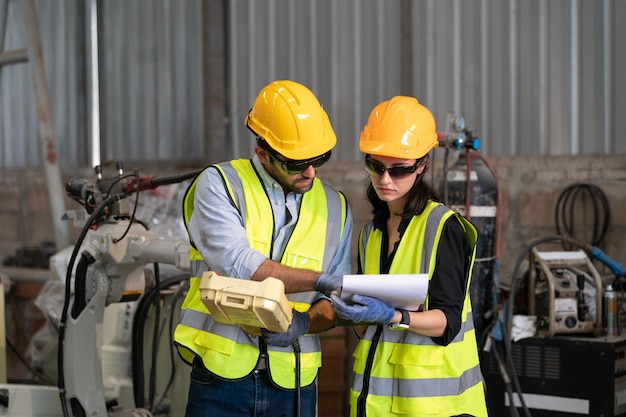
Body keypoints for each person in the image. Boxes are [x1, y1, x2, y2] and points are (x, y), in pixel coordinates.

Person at [173, 80, 352, 417]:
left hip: (294, 383)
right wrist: (318, 280)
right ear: (263, 154)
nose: (311, 172)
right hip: (222, 379)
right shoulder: (221, 185)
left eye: (319, 159)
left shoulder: (336, 207)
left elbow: (336, 303)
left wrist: (304, 322)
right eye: (297, 164)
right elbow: (241, 265)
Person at [329, 96, 488, 417]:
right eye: (375, 166)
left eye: (399, 170)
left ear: (423, 165)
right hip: (375, 405)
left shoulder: (444, 229)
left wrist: (395, 317)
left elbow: (448, 322)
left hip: (436, 408)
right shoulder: (369, 235)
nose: (385, 180)